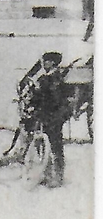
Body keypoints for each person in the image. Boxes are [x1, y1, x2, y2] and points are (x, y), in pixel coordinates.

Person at [25, 51, 71, 187]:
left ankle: (57, 177)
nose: (44, 64)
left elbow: (52, 99)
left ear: (52, 63)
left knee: (55, 146)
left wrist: (35, 97)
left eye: (46, 61)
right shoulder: (50, 78)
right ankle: (49, 174)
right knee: (47, 146)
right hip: (48, 116)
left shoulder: (53, 79)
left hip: (53, 116)